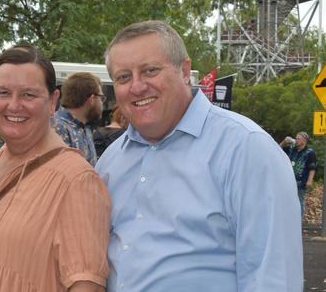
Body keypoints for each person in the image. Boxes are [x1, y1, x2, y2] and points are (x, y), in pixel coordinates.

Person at [95, 20, 302, 291]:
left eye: (150, 70)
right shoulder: (110, 162)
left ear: (184, 71)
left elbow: (273, 277)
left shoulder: (246, 149)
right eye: (123, 77)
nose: (137, 86)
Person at [0, 45, 111, 292]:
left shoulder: (76, 181)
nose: (14, 105)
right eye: (3, 92)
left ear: (52, 102)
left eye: (28, 95)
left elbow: (85, 285)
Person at [53, 72, 104, 165]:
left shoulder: (85, 127)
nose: (102, 103)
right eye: (101, 98)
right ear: (92, 99)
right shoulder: (58, 126)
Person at [280, 131, 317, 219]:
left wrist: (309, 180)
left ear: (304, 141)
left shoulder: (310, 153)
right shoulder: (292, 149)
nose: (295, 140)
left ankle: (298, 221)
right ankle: (289, 219)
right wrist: (284, 142)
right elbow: (278, 149)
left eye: (298, 138)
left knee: (299, 202)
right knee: (287, 201)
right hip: (288, 181)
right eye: (295, 138)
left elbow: (313, 168)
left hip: (301, 182)